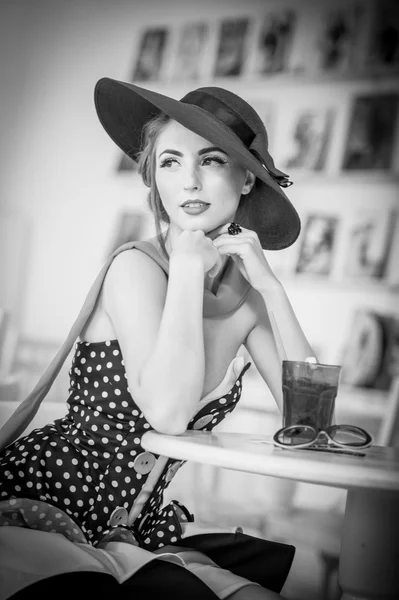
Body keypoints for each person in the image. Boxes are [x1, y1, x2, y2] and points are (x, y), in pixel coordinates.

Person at [0, 78, 317, 599]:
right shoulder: (136, 268)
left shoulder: (249, 298)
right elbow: (168, 414)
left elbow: (307, 429)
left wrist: (271, 288)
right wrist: (189, 271)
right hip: (46, 508)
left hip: (132, 531)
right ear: (154, 180)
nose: (188, 181)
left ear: (245, 181)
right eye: (170, 162)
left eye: (211, 160)